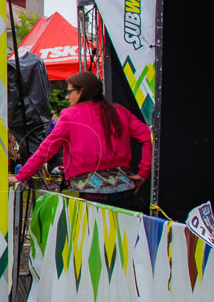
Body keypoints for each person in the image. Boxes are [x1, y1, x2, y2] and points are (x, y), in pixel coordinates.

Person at [10, 71, 151, 210]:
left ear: (81, 91)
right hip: (125, 190)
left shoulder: (70, 115)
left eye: (69, 91)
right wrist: (144, 173)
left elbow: (47, 149)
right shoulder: (118, 111)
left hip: (92, 194)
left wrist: (21, 176)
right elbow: (148, 137)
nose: (66, 96)